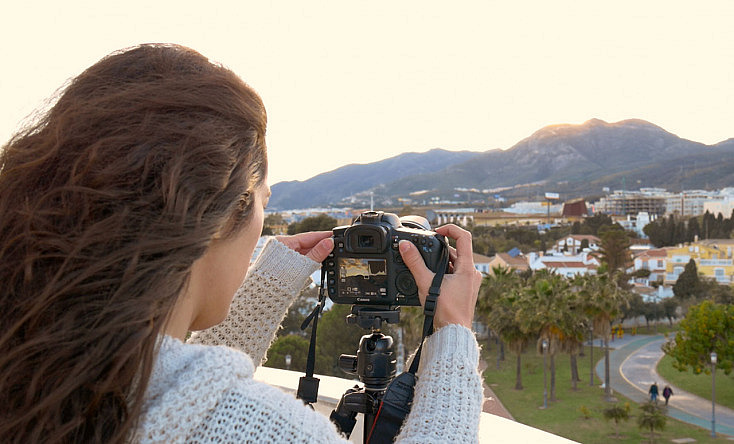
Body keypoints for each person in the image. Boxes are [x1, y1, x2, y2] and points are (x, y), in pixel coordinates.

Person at [0, 44, 484, 443]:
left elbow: (176, 387)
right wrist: (454, 333)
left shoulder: (36, 366)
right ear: (210, 218)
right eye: (260, 200)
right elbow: (205, 413)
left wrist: (267, 288)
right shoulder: (267, 430)